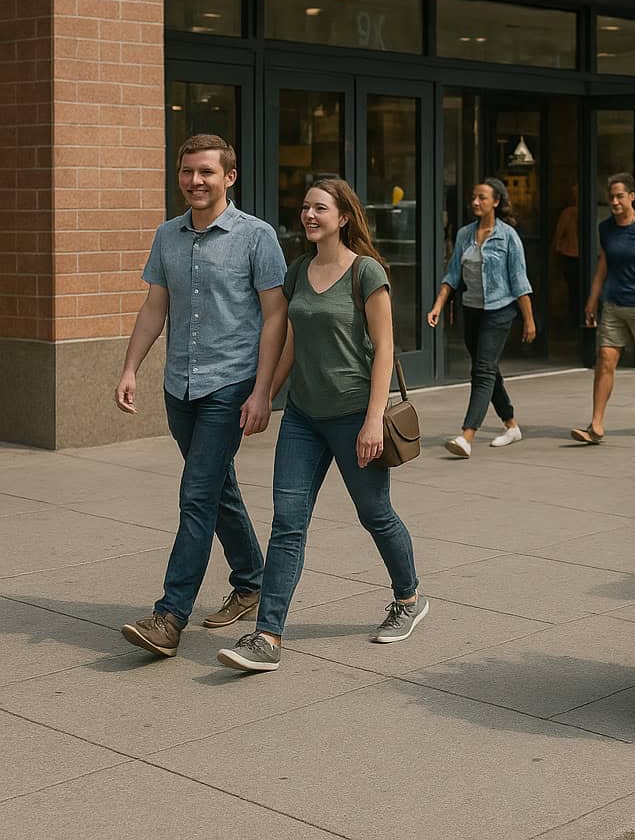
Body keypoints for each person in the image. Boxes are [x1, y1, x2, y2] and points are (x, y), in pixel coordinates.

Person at [216, 178, 426, 673]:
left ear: (344, 216)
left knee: (376, 514)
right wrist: (264, 393)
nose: (309, 215)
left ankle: (409, 597)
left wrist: (373, 421)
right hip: (304, 420)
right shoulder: (298, 272)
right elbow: (288, 341)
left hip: (355, 417)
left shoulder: (367, 273)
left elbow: (385, 351)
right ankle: (267, 636)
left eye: (320, 208)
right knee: (287, 524)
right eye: (305, 208)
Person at [116, 135, 287, 659]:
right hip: (179, 386)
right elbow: (155, 306)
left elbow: (276, 315)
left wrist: (263, 391)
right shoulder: (167, 236)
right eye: (188, 171)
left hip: (229, 386)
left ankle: (170, 616)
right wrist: (130, 368)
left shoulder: (257, 237)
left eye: (206, 172)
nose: (195, 181)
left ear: (228, 178)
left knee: (196, 493)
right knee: (217, 488)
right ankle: (252, 580)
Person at [427, 178, 536, 458]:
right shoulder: (465, 234)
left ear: (496, 202)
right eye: (473, 197)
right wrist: (438, 305)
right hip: (471, 310)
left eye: (482, 198)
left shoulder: (508, 236)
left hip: (500, 311)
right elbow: (452, 274)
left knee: (483, 370)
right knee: (487, 368)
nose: (476, 202)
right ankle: (511, 425)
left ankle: (467, 435)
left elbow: (519, 281)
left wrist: (529, 320)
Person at [570, 173, 635, 444]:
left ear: (631, 197)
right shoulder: (606, 228)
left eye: (619, 196)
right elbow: (603, 265)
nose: (614, 201)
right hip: (612, 304)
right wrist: (592, 300)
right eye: (611, 196)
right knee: (605, 362)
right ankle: (596, 425)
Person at [554, 184, 583, 331]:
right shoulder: (570, 213)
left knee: (575, 293)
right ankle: (575, 322)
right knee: (575, 292)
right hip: (572, 257)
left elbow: (558, 236)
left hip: (573, 257)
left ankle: (575, 322)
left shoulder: (570, 212)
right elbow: (559, 236)